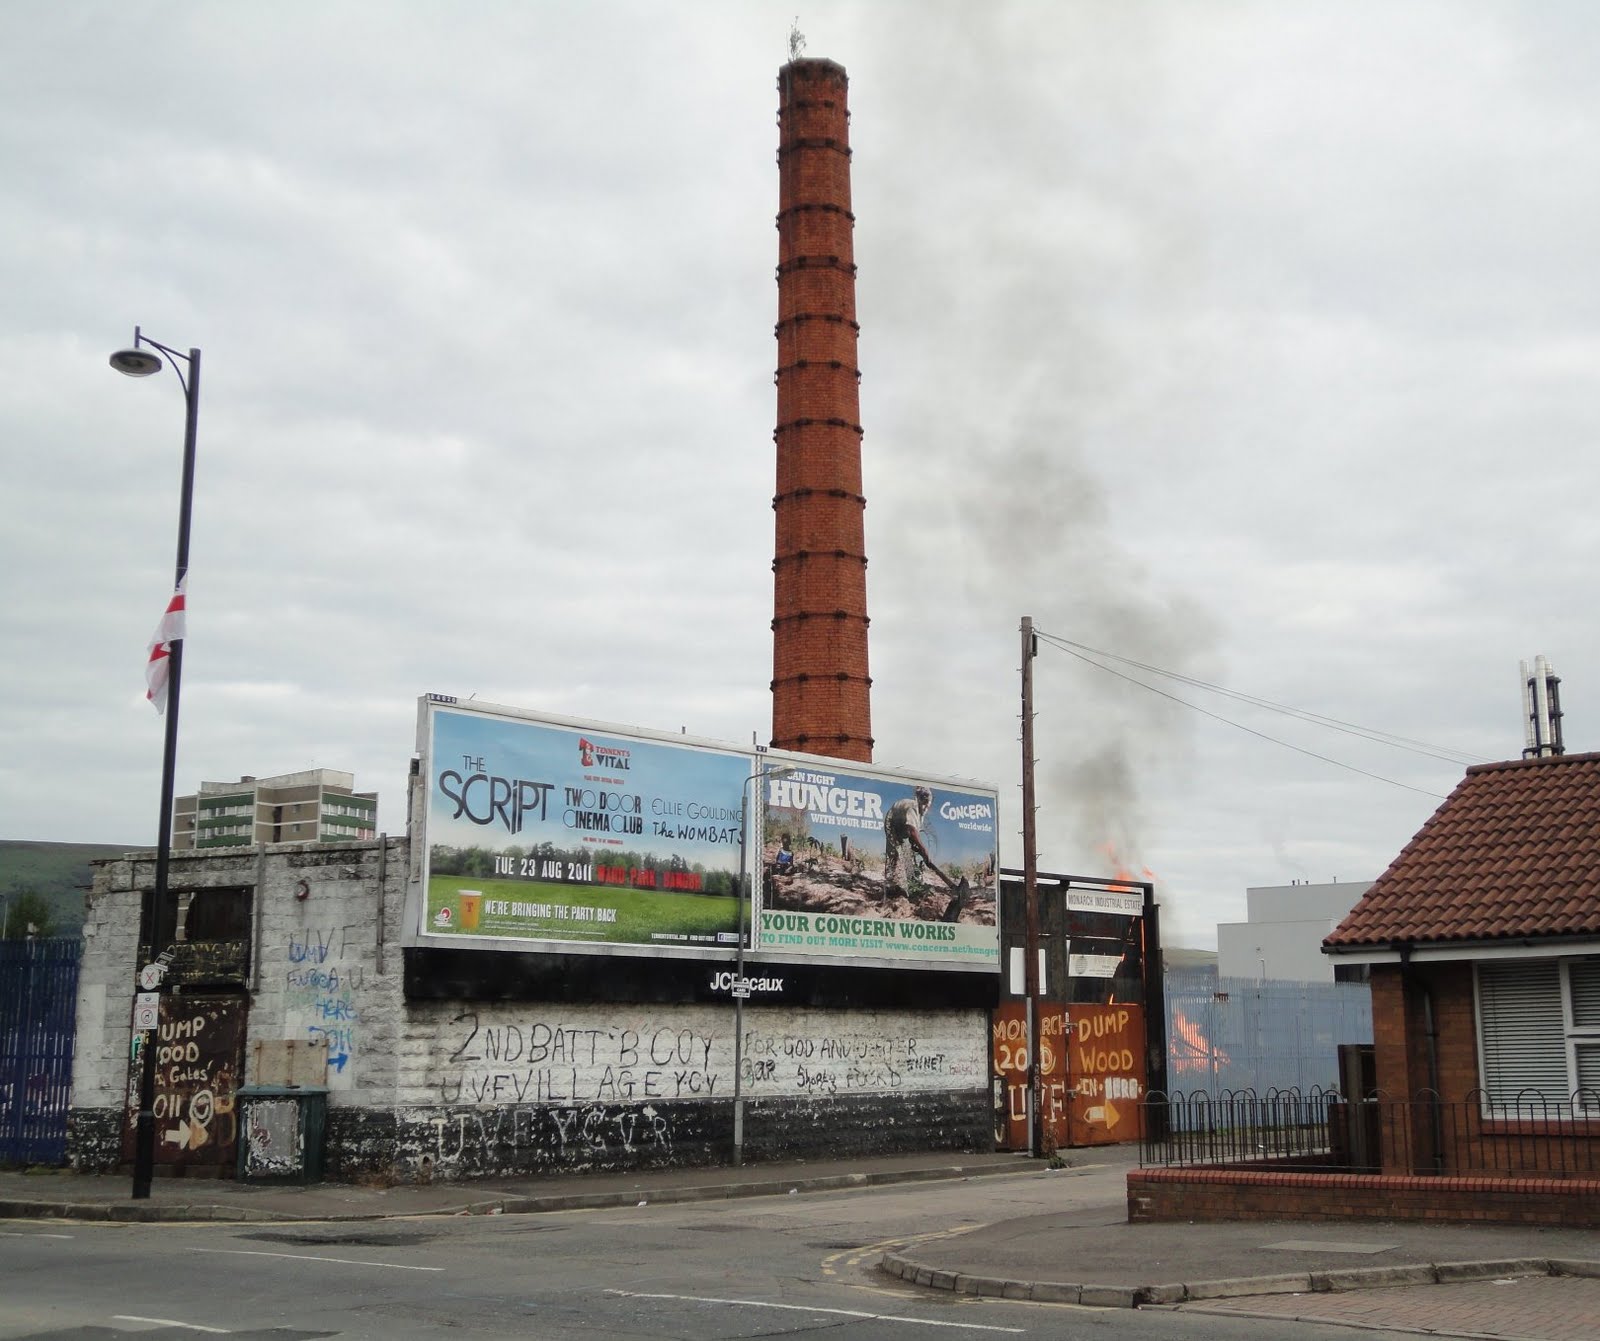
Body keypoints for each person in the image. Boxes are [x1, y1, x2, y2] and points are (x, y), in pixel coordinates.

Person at [882, 786, 949, 897]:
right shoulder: (913, 807)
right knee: (894, 854)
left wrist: (916, 846)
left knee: (908, 854)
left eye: (928, 802)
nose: (926, 805)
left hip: (903, 826)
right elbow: (913, 832)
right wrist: (924, 851)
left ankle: (912, 884)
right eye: (923, 800)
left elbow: (912, 834)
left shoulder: (921, 814)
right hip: (892, 822)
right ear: (918, 799)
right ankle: (890, 886)